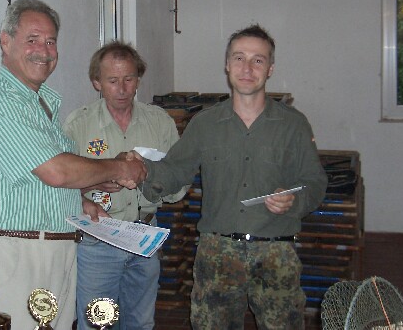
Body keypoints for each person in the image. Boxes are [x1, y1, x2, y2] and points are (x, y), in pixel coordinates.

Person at [0, 0, 146, 330]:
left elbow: (37, 180)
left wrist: (81, 197)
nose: (43, 51)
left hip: (54, 251)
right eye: (32, 39)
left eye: (50, 41)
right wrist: (119, 169)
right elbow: (56, 171)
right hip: (14, 255)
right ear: (5, 42)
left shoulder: (41, 105)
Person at [136, 24, 328, 330]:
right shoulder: (205, 124)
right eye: (239, 58)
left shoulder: (293, 125)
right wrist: (142, 170)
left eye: (258, 60)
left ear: (270, 68)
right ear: (227, 65)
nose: (247, 68)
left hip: (276, 252)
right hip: (217, 253)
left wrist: (295, 199)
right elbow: (175, 170)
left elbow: (315, 181)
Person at [63, 41, 188, 330]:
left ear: (138, 80)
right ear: (97, 82)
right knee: (97, 324)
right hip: (97, 243)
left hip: (145, 239)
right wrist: (88, 190)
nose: (122, 89)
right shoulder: (78, 124)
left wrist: (147, 174)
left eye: (129, 79)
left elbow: (179, 185)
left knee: (140, 323)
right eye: (112, 80)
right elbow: (58, 184)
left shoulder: (159, 122)